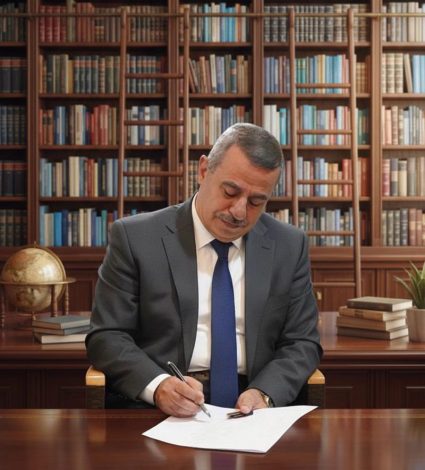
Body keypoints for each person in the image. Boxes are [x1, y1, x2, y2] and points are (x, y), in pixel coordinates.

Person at [86, 123, 322, 417]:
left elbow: (302, 342)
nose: (239, 211)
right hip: (159, 407)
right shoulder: (136, 238)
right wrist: (158, 386)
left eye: (256, 201)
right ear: (203, 170)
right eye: (230, 191)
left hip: (253, 411)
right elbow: (107, 336)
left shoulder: (289, 245)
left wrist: (266, 392)